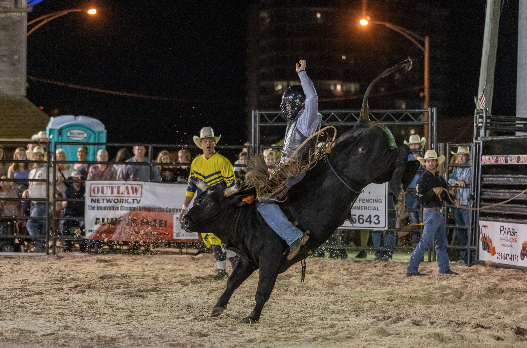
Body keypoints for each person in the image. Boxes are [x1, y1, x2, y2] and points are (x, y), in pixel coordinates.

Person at [256, 59, 319, 260]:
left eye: (289, 103)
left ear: (298, 104)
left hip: (294, 173)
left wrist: (302, 74)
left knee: (263, 203)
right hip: (286, 171)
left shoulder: (306, 120)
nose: (286, 107)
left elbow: (312, 98)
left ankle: (294, 237)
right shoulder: (295, 122)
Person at [178, 127, 237, 280]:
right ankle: (223, 271)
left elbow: (231, 187)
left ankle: (235, 268)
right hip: (204, 207)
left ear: (214, 143)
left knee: (224, 238)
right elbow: (191, 187)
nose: (208, 143)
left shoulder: (223, 162)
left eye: (210, 140)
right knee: (211, 238)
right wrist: (185, 207)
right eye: (205, 141)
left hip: (220, 206)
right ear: (201, 143)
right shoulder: (196, 162)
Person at [406, 150, 457, 276]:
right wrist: (433, 192)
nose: (431, 163)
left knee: (440, 242)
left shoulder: (439, 178)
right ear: (425, 163)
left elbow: (445, 196)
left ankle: (444, 269)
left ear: (435, 162)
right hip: (430, 212)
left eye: (432, 160)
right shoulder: (422, 179)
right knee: (427, 241)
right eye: (428, 161)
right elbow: (420, 199)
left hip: (436, 213)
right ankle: (412, 268)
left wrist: (453, 200)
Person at [448, 146, 471, 266]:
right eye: (459, 155)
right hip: (458, 203)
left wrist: (460, 182)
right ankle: (465, 257)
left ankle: (470, 257)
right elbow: (450, 179)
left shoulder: (471, 166)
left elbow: (469, 179)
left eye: (463, 155)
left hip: (467, 204)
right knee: (460, 231)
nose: (461, 157)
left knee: (467, 230)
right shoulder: (457, 167)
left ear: (467, 156)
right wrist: (457, 182)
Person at [22, 146, 48, 252]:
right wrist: (28, 191)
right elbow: (31, 185)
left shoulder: (46, 170)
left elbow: (54, 180)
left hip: (42, 201)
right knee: (40, 226)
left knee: (31, 223)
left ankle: (38, 245)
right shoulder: (32, 171)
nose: (38, 157)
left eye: (40, 155)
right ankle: (41, 247)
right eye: (36, 155)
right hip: (34, 202)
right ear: (33, 157)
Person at [403, 134, 426, 245]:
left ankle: (420, 243)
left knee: (420, 218)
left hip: (420, 193)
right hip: (410, 193)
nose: (414, 146)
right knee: (415, 220)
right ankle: (417, 244)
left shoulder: (425, 159)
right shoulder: (407, 159)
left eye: (415, 144)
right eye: (412, 145)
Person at [60, 171, 86, 252]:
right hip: (70, 215)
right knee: (65, 223)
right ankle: (66, 244)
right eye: (75, 178)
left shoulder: (85, 189)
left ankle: (83, 245)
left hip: (82, 215)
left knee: (85, 224)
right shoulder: (67, 190)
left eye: (78, 178)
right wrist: (64, 203)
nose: (77, 179)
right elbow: (64, 202)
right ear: (72, 180)